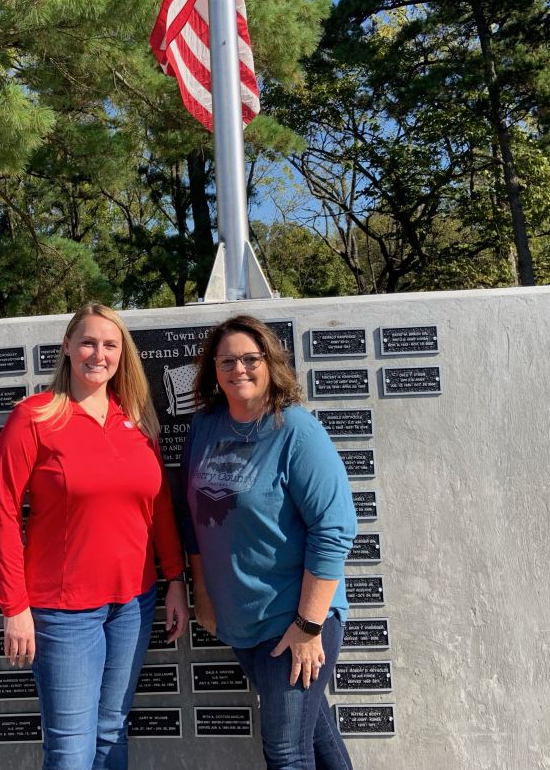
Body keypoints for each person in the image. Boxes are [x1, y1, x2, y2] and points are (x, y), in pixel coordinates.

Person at [0, 303, 190, 769]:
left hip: (133, 604)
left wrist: (175, 578)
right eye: (88, 342)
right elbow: (0, 513)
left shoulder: (137, 421)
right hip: (62, 612)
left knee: (111, 735)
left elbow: (158, 507)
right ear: (67, 348)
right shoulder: (34, 418)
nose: (98, 354)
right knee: (72, 750)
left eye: (110, 345)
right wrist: (14, 606)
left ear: (123, 354)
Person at [178, 314, 357, 770]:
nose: (239, 369)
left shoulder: (295, 430)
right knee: (316, 735)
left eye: (250, 358)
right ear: (213, 371)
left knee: (286, 752)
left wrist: (309, 625)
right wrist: (202, 591)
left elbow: (334, 528)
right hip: (242, 620)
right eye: (227, 361)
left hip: (292, 617)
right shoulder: (204, 428)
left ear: (269, 362)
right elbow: (192, 517)